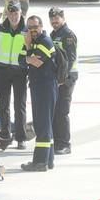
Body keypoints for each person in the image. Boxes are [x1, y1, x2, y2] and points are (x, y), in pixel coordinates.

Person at [0, 0, 29, 149]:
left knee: (19, 106)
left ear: (21, 13)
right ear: (7, 14)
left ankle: (21, 137)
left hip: (20, 72)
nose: (14, 16)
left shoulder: (27, 30)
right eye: (11, 13)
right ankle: (5, 134)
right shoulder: (1, 28)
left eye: (16, 13)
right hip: (3, 70)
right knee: (3, 105)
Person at [20, 15, 58, 172]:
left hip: (46, 87)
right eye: (29, 28)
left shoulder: (45, 42)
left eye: (35, 27)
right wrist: (28, 55)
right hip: (37, 87)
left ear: (41, 27)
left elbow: (36, 61)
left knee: (42, 124)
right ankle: (48, 160)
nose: (32, 31)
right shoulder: (33, 42)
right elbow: (20, 59)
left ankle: (40, 162)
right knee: (43, 123)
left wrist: (28, 49)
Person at [49, 7, 78, 155]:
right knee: (55, 111)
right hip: (57, 79)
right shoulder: (53, 34)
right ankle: (57, 142)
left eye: (57, 18)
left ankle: (65, 144)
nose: (54, 21)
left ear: (63, 18)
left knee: (62, 111)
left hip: (67, 79)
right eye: (52, 19)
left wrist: (63, 78)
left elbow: (70, 58)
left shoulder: (68, 35)